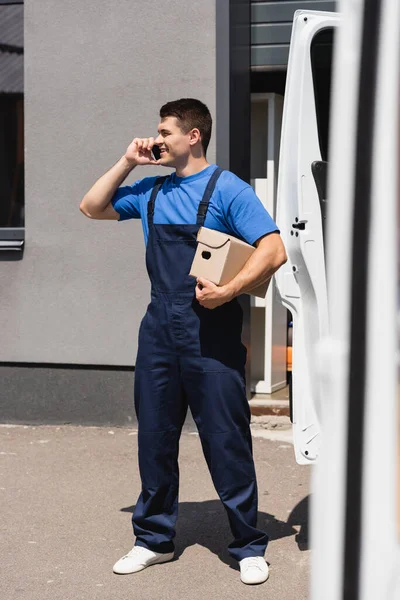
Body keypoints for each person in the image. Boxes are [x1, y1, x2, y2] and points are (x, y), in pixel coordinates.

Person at [80, 98, 287, 585]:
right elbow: (91, 207)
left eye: (164, 131)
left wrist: (231, 289)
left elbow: (273, 248)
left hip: (210, 332)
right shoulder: (150, 191)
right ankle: (152, 539)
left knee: (226, 439)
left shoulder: (226, 189)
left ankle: (248, 545)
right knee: (155, 437)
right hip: (158, 329)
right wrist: (128, 161)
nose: (157, 139)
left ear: (193, 136)